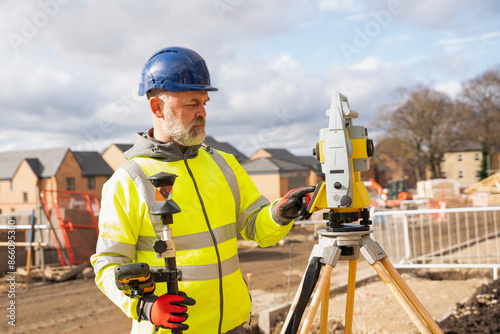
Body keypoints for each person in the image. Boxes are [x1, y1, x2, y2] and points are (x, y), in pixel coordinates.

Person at [91, 46, 315, 334]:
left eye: (205, 102)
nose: (202, 113)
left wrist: (280, 213)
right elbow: (108, 263)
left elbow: (255, 226)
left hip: (233, 323)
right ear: (157, 108)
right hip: (173, 328)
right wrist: (145, 307)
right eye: (192, 103)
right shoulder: (129, 180)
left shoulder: (223, 164)